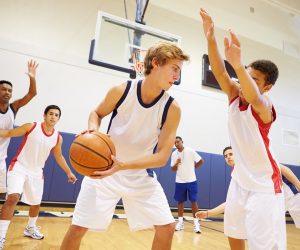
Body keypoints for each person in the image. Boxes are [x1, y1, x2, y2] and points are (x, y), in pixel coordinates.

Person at [60, 41, 190, 250]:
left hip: (139, 175)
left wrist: (123, 165)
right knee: (77, 228)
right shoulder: (122, 90)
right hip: (103, 173)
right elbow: (97, 113)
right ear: (155, 63)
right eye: (174, 69)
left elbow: (162, 157)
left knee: (167, 227)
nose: (177, 76)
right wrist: (93, 130)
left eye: (179, 71)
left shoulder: (172, 108)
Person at [200, 8, 286, 250]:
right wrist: (210, 38)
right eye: (245, 75)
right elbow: (218, 70)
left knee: (262, 244)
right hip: (240, 180)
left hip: (265, 184)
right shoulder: (234, 96)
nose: (243, 82)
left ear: (266, 87)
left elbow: (254, 97)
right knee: (234, 232)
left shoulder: (264, 106)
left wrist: (238, 67)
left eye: (253, 79)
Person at [0, 105, 77, 249]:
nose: (53, 117)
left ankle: (30, 228)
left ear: (58, 119)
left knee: (35, 204)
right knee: (13, 197)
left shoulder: (57, 137)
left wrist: (69, 172)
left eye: (56, 115)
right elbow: (10, 132)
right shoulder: (31, 126)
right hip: (19, 167)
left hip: (36, 172)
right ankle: (1, 236)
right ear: (44, 115)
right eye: (51, 114)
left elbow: (59, 156)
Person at [197, 147, 300, 232]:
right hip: (276, 202)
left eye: (231, 154)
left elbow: (285, 169)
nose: (228, 157)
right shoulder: (236, 175)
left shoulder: (252, 162)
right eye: (225, 156)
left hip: (293, 195)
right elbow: (232, 202)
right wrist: (208, 213)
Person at [0, 60, 38, 197]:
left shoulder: (13, 108)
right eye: (3, 89)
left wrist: (32, 78)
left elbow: (32, 94)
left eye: (10, 90)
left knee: (2, 191)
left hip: (1, 158)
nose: (7, 92)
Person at [170, 136, 204, 233]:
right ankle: (180, 222)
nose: (176, 144)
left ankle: (196, 223)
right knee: (180, 202)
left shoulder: (190, 151)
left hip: (192, 181)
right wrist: (176, 163)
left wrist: (193, 169)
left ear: (182, 142)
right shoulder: (174, 154)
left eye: (178, 142)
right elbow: (172, 169)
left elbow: (201, 161)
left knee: (194, 201)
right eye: (175, 143)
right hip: (179, 181)